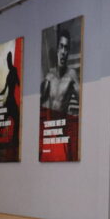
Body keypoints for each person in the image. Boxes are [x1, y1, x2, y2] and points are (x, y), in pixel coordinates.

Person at [39, 27, 80, 161]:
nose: (63, 52)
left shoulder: (71, 75)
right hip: (49, 136)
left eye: (66, 48)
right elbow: (39, 105)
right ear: (57, 50)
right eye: (61, 47)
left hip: (63, 135)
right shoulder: (49, 76)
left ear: (68, 52)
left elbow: (85, 104)